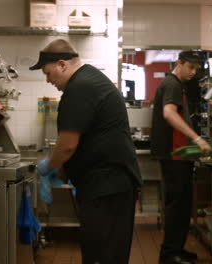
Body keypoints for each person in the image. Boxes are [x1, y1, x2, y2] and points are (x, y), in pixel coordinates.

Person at [30, 39, 142, 264]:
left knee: (102, 255)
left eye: (47, 72)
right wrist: (65, 169)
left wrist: (49, 167)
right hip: (111, 185)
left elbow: (68, 144)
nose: (48, 79)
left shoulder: (79, 88)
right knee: (107, 252)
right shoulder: (89, 80)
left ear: (62, 64)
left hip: (107, 188)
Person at [151, 51, 211, 264]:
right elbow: (169, 113)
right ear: (180, 63)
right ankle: (169, 254)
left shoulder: (177, 85)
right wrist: (196, 138)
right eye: (191, 67)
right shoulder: (172, 84)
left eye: (197, 69)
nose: (194, 73)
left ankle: (176, 248)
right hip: (174, 154)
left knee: (182, 204)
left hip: (179, 154)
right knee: (177, 205)